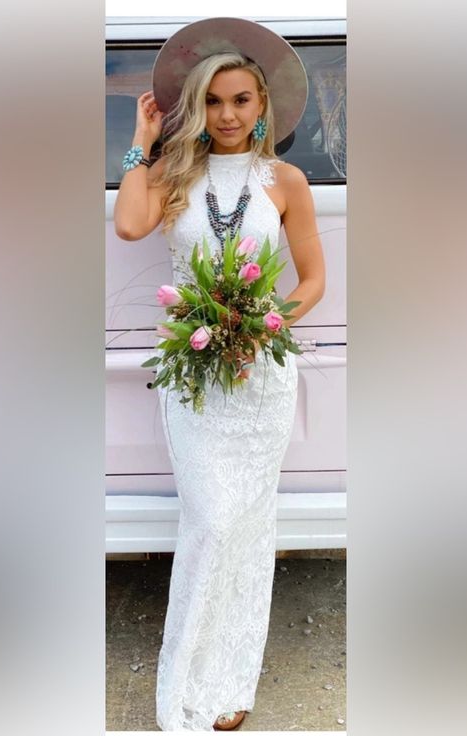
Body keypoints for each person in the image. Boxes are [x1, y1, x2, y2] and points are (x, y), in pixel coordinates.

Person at [113, 17, 325, 732]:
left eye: (240, 100)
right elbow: (130, 226)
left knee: (248, 523)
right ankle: (185, 689)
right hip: (195, 376)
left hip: (260, 374)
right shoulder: (174, 171)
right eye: (213, 102)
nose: (228, 115)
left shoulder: (287, 180)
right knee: (209, 519)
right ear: (196, 107)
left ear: (262, 105)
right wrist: (141, 145)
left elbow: (313, 279)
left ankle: (233, 684)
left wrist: (265, 324)